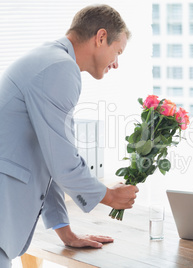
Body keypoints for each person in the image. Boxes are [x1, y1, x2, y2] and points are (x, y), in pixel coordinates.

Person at [0, 4, 139, 267]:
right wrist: (109, 196)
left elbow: (48, 157)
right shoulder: (60, 68)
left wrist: (65, 231)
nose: (116, 64)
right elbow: (63, 161)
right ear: (100, 38)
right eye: (117, 52)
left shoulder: (49, 59)